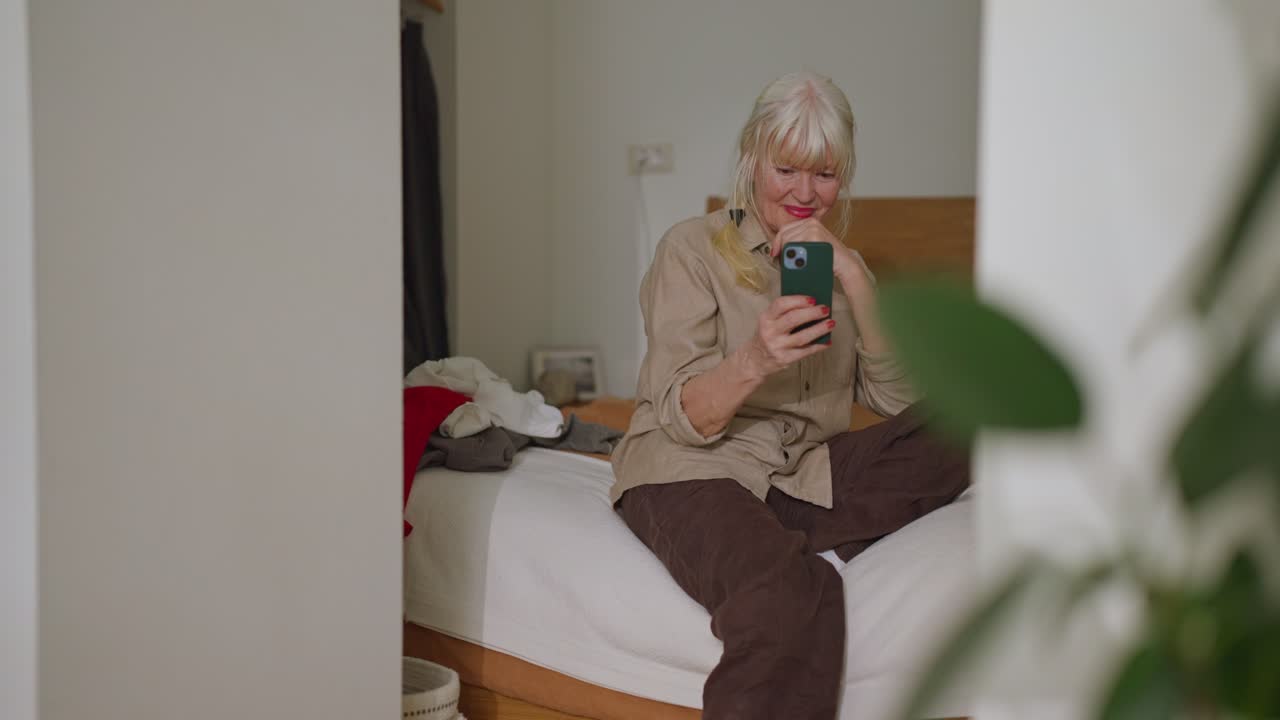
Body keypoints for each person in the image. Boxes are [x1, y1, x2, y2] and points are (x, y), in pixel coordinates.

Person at [610, 71, 970, 720]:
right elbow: (684, 418)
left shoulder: (834, 263)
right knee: (789, 595)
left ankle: (783, 528)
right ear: (752, 158)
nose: (806, 194)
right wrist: (755, 359)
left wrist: (858, 281)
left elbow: (896, 402)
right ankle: (785, 543)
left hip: (802, 476)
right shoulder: (691, 250)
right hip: (692, 469)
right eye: (787, 169)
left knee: (971, 416)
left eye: (825, 175)